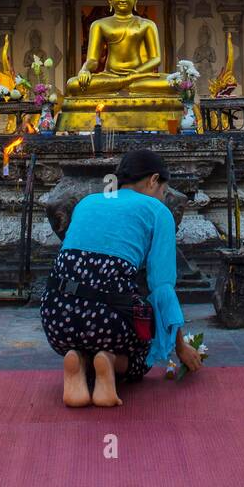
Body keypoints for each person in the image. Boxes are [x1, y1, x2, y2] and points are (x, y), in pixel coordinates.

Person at [39, 148, 203, 407]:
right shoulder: (157, 211)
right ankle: (109, 362)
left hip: (56, 318)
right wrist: (181, 347)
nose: (162, 197)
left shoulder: (87, 202)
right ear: (153, 180)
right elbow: (161, 288)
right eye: (163, 190)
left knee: (94, 311)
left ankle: (78, 360)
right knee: (142, 354)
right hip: (108, 322)